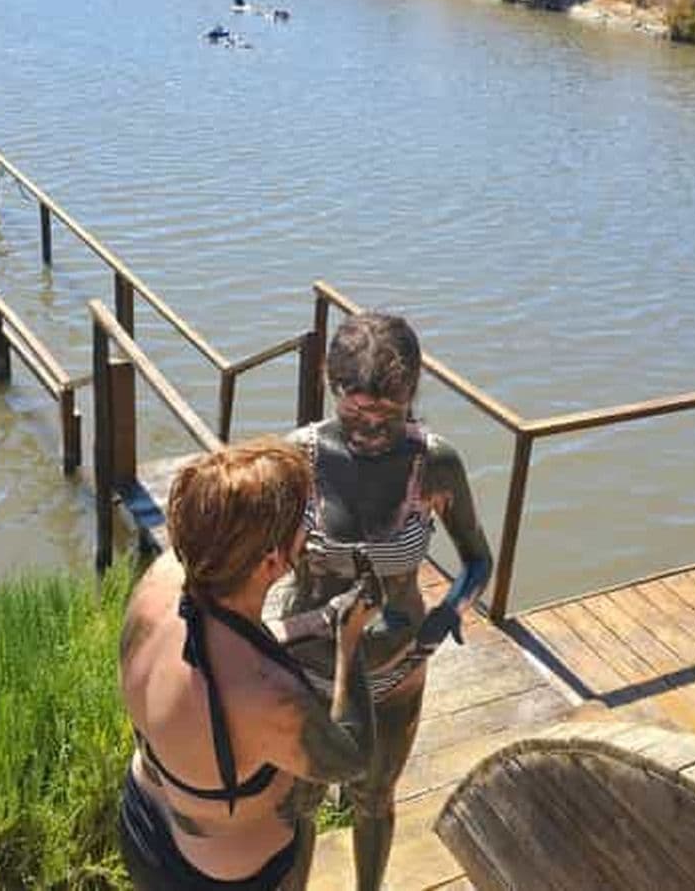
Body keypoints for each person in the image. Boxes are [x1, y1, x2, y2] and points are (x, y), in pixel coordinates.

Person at [280, 312, 494, 891]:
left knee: (374, 798)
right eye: (356, 414)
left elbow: (478, 559)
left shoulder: (435, 463)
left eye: (389, 416)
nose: (372, 431)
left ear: (413, 395)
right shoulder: (298, 459)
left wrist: (450, 611)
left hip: (397, 667)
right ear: (331, 387)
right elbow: (254, 556)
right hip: (309, 669)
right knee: (299, 801)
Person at [118, 438, 382, 891]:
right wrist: (350, 638)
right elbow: (353, 759)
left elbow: (214, 647)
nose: (310, 528)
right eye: (304, 520)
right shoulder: (270, 696)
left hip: (141, 821)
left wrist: (309, 623)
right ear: (272, 560)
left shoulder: (161, 581)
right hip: (214, 876)